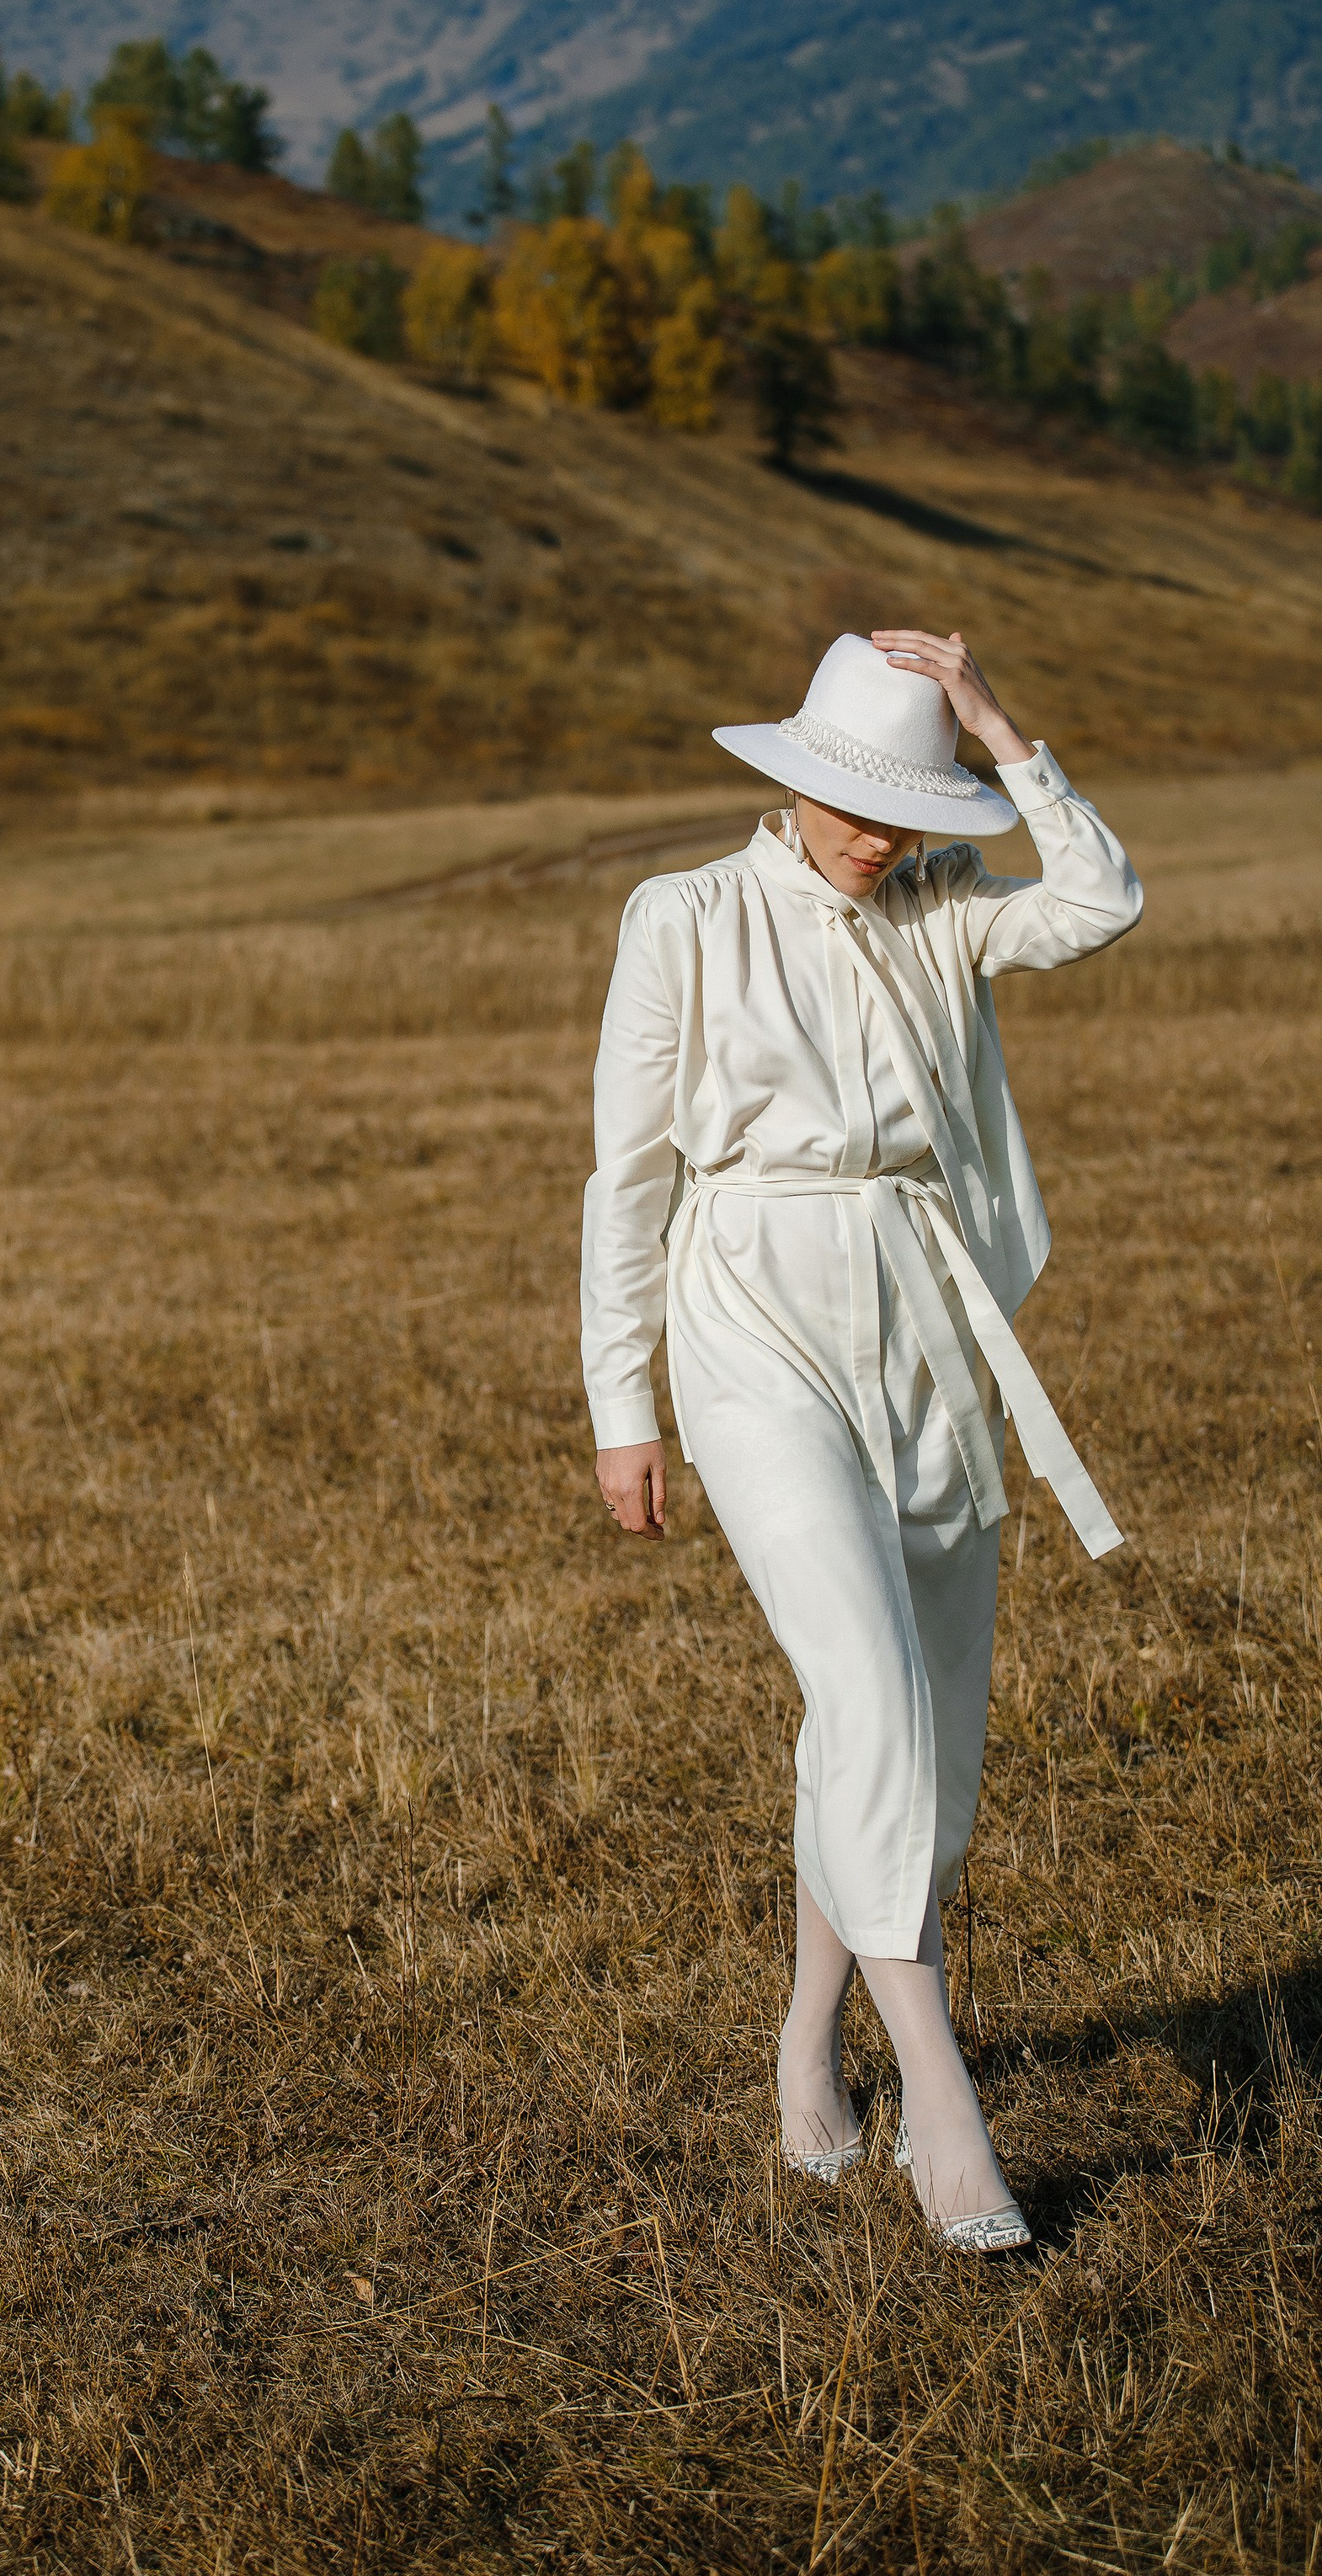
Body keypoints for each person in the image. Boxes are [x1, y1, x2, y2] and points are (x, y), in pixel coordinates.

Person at [580, 629, 1141, 2252]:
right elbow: (627, 1174)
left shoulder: (942, 914)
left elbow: (1099, 899)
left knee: (923, 1746)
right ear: (789, 776)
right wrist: (625, 1404)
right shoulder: (683, 918)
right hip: (749, 1308)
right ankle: (942, 2101)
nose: (877, 835)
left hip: (925, 1314)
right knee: (867, 1688)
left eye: (907, 806)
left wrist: (995, 729)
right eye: (852, 801)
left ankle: (805, 2038)